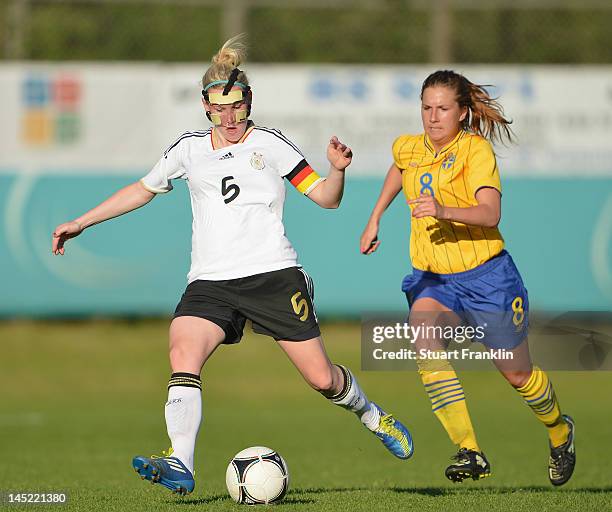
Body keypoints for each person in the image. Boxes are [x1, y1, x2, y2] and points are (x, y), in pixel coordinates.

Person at [51, 35, 413, 496]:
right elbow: (143, 189)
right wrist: (82, 222)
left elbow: (325, 198)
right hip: (211, 282)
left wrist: (337, 171)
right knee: (183, 351)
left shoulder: (270, 143)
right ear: (205, 107)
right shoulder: (187, 148)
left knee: (322, 379)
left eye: (237, 106)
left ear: (248, 103)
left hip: (273, 276)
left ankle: (372, 415)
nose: (230, 117)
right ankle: (180, 462)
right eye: (219, 108)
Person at [360, 70, 575, 486]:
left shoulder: (476, 152)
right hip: (435, 278)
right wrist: (375, 218)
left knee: (516, 374)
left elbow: (490, 214)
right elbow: (399, 167)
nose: (433, 116)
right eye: (426, 107)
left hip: (488, 277)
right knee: (424, 338)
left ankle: (560, 431)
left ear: (461, 113)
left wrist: (443, 211)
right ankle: (470, 450)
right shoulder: (410, 146)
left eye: (443, 108)